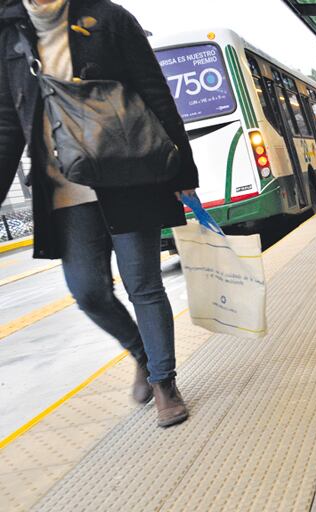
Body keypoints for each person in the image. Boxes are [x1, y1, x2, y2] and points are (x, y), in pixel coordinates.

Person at [0, 0, 196, 427]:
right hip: (64, 188)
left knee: (143, 283)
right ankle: (143, 354)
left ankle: (165, 384)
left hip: (128, 175)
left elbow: (154, 91)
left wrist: (183, 169)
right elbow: (7, 123)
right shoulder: (8, 33)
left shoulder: (110, 19)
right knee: (87, 290)